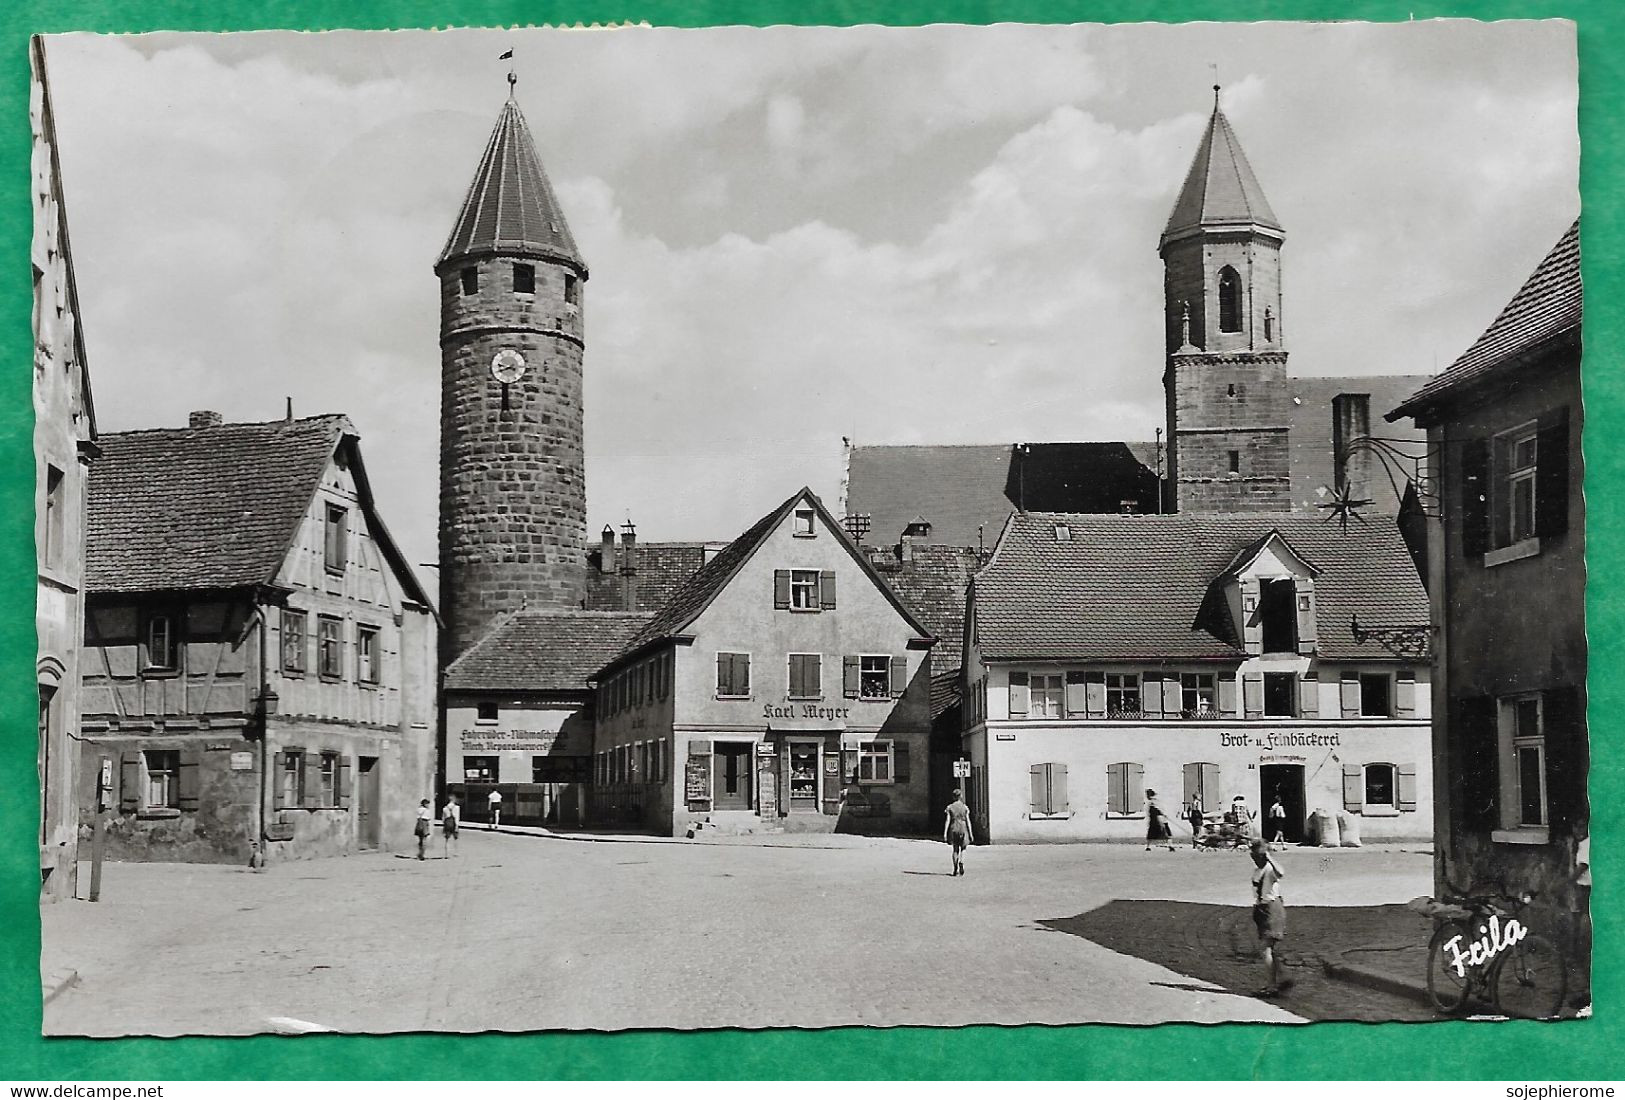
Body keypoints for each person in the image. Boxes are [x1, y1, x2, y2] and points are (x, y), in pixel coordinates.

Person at [1250, 838, 1291, 996]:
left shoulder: (1270, 870)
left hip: (1271, 909)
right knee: (1270, 949)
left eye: (1257, 855)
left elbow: (1281, 873)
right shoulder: (1257, 870)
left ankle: (1272, 986)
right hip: (1262, 908)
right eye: (1253, 855)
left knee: (1266, 949)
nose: (1254, 857)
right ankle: (1284, 978)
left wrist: (1269, 857)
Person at [943, 789, 973, 876]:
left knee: (955, 849)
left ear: (953, 797)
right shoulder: (965, 807)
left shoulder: (950, 807)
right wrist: (970, 833)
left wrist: (945, 833)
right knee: (963, 848)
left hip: (954, 827)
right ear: (961, 796)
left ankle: (955, 867)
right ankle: (961, 861)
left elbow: (947, 820)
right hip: (963, 827)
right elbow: (968, 821)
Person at [442, 793, 461, 857]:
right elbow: (457, 817)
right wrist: (457, 826)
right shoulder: (457, 808)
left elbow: (443, 818)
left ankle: (446, 854)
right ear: (454, 799)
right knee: (456, 839)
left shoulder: (444, 808)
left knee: (447, 839)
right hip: (454, 824)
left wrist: (444, 825)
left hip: (447, 824)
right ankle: (456, 852)